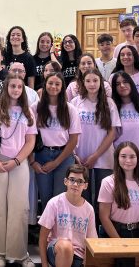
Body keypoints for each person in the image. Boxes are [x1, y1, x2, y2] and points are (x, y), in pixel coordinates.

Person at [0, 74, 37, 267]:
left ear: (23, 90)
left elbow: (30, 141)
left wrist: (16, 161)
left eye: (19, 87)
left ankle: (20, 253)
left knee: (20, 208)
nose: (15, 89)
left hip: (18, 164)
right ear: (6, 88)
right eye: (12, 86)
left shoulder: (27, 111)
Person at [70, 68, 120, 215]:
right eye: (88, 81)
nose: (92, 84)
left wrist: (96, 155)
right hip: (80, 158)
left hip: (103, 158)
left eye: (95, 80)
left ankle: (100, 232)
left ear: (101, 82)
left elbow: (112, 133)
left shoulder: (109, 103)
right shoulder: (75, 102)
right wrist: (74, 154)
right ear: (83, 83)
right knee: (81, 197)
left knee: (102, 199)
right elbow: (69, 131)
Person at [29, 72, 81, 208]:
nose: (53, 86)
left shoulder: (70, 109)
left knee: (60, 197)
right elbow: (28, 136)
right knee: (45, 197)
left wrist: (57, 162)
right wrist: (32, 161)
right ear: (45, 85)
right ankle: (48, 228)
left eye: (57, 84)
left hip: (64, 156)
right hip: (42, 155)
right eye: (50, 83)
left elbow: (73, 139)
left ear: (62, 86)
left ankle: (59, 229)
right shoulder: (36, 107)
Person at [38, 164, 97, 267]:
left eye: (80, 181)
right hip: (58, 250)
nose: (75, 184)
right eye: (72, 179)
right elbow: (43, 237)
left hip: (79, 255)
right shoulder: (54, 203)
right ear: (66, 181)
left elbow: (91, 241)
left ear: (86, 186)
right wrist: (44, 264)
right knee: (66, 247)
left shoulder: (89, 209)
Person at [98, 142, 139, 239]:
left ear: (138, 159)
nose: (128, 160)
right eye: (123, 156)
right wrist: (118, 242)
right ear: (117, 158)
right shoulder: (108, 182)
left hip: (138, 232)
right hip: (116, 232)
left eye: (132, 157)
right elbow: (104, 217)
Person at [111, 71, 139, 169]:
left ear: (131, 83)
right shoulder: (111, 109)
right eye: (117, 84)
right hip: (120, 162)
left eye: (125, 82)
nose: (122, 86)